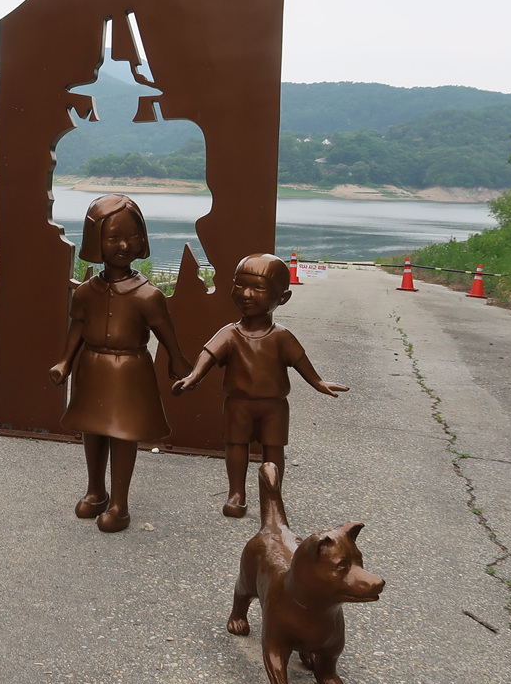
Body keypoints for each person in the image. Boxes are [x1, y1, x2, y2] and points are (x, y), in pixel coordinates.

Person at [50, 195, 191, 532]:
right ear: (95, 241)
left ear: (142, 240)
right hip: (92, 367)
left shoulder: (148, 295)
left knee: (123, 433)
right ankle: (96, 491)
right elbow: (78, 326)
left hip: (130, 369)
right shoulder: (87, 292)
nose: (124, 245)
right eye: (113, 238)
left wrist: (177, 359)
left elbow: (165, 331)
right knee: (92, 429)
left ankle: (120, 504)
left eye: (132, 237)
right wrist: (65, 362)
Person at [174, 253, 348, 517]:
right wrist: (194, 377)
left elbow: (300, 360)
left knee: (273, 448)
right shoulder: (230, 334)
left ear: (283, 298)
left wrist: (317, 382)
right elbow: (208, 355)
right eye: (240, 285)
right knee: (235, 445)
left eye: (258, 288)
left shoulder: (281, 337)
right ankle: (236, 493)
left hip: (274, 406)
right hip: (238, 404)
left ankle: (272, 494)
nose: (246, 294)